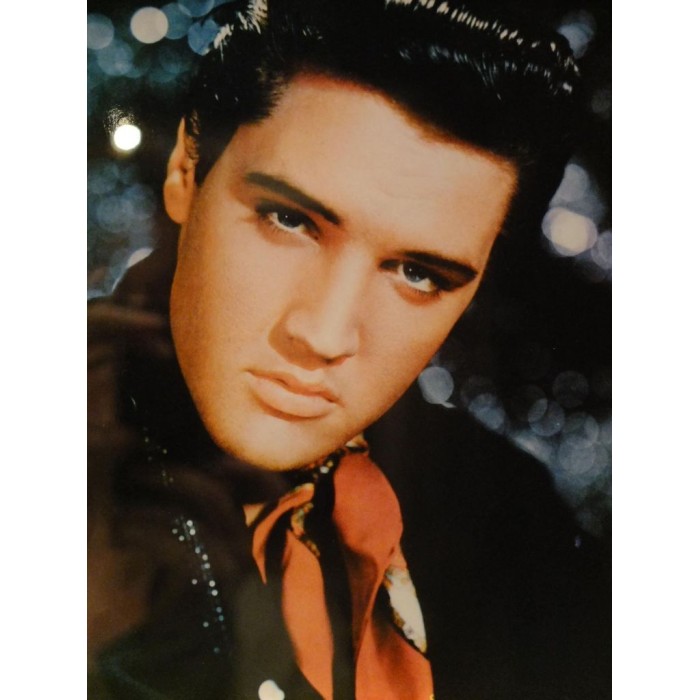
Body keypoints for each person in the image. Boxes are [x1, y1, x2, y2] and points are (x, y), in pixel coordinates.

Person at [88, 1, 610, 698]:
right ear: (187, 171)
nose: (324, 335)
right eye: (289, 219)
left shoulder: (509, 522)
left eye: (418, 273)